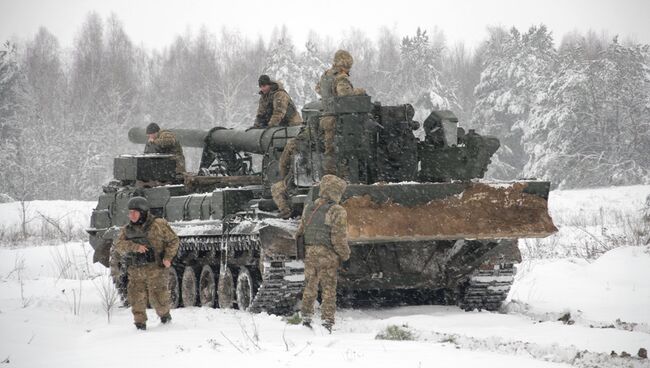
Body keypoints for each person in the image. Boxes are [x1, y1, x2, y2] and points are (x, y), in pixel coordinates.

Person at [114, 196, 180, 330]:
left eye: (134, 212)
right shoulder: (127, 230)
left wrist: (168, 258)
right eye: (130, 212)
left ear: (142, 212)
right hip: (135, 270)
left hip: (155, 269)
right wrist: (134, 247)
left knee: (159, 298)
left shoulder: (158, 225)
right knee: (136, 298)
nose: (131, 215)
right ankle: (140, 325)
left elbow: (173, 241)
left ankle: (165, 320)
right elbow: (119, 245)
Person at [296, 175, 350, 333]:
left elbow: (300, 232)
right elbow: (338, 238)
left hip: (310, 253)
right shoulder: (337, 211)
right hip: (328, 255)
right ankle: (327, 322)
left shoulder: (310, 208)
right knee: (328, 289)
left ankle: (306, 318)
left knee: (310, 286)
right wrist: (345, 255)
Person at [315, 50, 366, 175]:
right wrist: (359, 91)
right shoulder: (341, 77)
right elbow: (345, 94)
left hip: (325, 118)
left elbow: (318, 89)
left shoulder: (326, 75)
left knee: (329, 151)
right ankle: (341, 177)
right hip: (337, 121)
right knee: (342, 151)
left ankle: (328, 176)